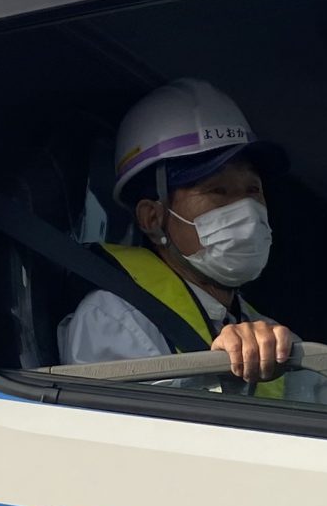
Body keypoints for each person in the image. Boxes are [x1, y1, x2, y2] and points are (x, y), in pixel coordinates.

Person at [58, 79, 311, 396]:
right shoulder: (114, 318)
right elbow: (123, 423)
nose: (246, 210)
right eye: (218, 191)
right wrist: (221, 376)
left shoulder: (273, 337)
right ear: (153, 218)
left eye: (252, 190)